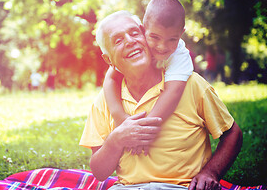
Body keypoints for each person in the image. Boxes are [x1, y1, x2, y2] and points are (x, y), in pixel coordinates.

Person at [79, 10, 243, 189]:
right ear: (108, 59)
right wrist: (116, 139)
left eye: (135, 33)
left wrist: (211, 172)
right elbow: (99, 172)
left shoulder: (190, 84)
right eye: (118, 40)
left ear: (148, 39)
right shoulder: (105, 101)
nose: (130, 40)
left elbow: (232, 133)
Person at [103, 0, 193, 155]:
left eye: (172, 39)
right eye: (155, 38)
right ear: (143, 29)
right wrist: (119, 117)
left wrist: (143, 131)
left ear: (181, 34)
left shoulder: (179, 56)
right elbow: (111, 78)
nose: (162, 47)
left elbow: (173, 93)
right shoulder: (140, 45)